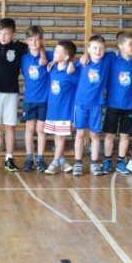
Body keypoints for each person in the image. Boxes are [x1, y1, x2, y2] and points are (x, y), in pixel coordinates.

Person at [0, 18, 45, 172]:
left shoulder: (19, 47)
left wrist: (43, 55)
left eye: (6, 34)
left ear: (14, 34)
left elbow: (36, 45)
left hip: (11, 92)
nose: (3, 37)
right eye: (0, 33)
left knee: (10, 126)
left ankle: (9, 158)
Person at [73, 35, 115, 176]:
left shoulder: (107, 60)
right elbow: (70, 68)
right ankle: (78, 163)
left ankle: (94, 163)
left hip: (96, 104)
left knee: (95, 134)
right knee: (80, 134)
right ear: (89, 49)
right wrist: (83, 56)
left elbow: (120, 50)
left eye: (101, 48)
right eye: (95, 48)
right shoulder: (82, 62)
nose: (98, 51)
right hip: (81, 103)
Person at [101, 31, 132, 174]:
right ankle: (107, 160)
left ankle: (120, 161)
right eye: (130, 44)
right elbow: (97, 56)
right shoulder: (112, 57)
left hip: (129, 105)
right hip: (113, 104)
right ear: (120, 46)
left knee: (125, 135)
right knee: (109, 134)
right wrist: (85, 55)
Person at [44, 40, 80, 175]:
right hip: (52, 110)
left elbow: (83, 64)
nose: (55, 53)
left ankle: (55, 163)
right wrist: (54, 61)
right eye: (55, 50)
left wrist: (72, 62)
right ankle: (62, 160)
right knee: (56, 136)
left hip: (64, 111)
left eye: (58, 51)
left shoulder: (72, 72)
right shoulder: (52, 68)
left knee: (61, 137)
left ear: (66, 56)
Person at [20, 26, 52, 172]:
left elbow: (64, 55)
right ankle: (29, 159)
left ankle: (40, 159)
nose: (34, 42)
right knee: (29, 129)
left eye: (37, 39)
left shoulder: (49, 55)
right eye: (31, 39)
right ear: (26, 40)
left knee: (41, 130)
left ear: (42, 40)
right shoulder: (23, 57)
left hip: (44, 99)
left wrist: (44, 54)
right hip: (29, 99)